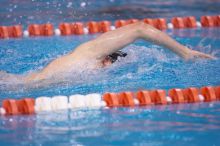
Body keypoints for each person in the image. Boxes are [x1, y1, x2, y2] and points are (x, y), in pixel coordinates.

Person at [20, 22, 213, 83]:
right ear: (106, 59)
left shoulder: (85, 67)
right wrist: (184, 52)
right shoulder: (90, 53)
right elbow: (140, 29)